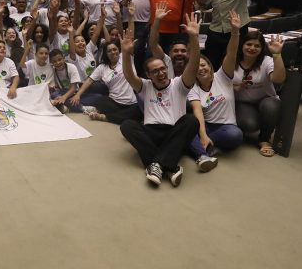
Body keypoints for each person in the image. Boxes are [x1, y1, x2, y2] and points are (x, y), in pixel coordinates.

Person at [119, 13, 202, 187]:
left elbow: (193, 65)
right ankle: (170, 166)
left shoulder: (179, 84)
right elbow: (129, 75)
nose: (161, 73)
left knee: (191, 121)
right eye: (155, 71)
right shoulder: (146, 86)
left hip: (174, 132)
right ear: (149, 75)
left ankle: (155, 164)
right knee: (127, 125)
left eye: (163, 69)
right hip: (152, 132)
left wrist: (194, 39)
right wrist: (126, 54)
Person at [188, 11, 245, 172]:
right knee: (187, 127)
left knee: (235, 135)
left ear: (210, 66)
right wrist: (204, 133)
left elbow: (231, 53)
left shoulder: (222, 76)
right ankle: (203, 155)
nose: (201, 68)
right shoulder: (193, 87)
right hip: (206, 125)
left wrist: (235, 32)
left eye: (204, 64)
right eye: (197, 66)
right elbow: (197, 111)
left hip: (226, 127)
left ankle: (199, 146)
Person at [233, 30, 285, 157]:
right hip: (243, 102)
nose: (252, 48)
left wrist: (277, 54)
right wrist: (236, 88)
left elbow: (278, 79)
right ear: (242, 45)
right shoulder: (232, 59)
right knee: (249, 125)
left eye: (257, 46)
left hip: (265, 100)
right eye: (249, 44)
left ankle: (264, 139)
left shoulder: (267, 61)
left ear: (262, 48)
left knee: (272, 105)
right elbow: (221, 84)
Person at [70, 39, 141, 124]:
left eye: (115, 49)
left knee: (138, 112)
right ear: (106, 54)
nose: (113, 52)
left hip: (131, 103)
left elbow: (129, 49)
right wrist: (78, 94)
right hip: (113, 102)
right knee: (100, 101)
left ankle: (106, 117)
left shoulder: (125, 58)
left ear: (119, 50)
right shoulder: (102, 67)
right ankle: (119, 117)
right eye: (109, 51)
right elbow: (89, 80)